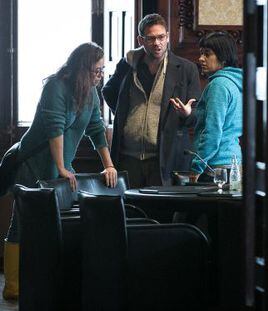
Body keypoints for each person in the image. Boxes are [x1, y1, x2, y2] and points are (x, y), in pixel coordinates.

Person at [2, 42, 117, 300]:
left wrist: (108, 164)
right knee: (21, 223)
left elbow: (97, 130)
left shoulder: (90, 93)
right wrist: (63, 167)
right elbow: (55, 128)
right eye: (96, 71)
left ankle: (46, 279)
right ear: (81, 68)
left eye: (102, 71)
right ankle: (12, 286)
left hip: (61, 167)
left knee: (58, 225)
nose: (100, 76)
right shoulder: (56, 86)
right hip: (33, 165)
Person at [102, 13, 201, 188]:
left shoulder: (186, 68)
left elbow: (198, 115)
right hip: (128, 157)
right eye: (151, 39)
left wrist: (187, 113)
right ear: (140, 40)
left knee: (161, 212)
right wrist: (126, 116)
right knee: (131, 210)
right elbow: (108, 91)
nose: (157, 43)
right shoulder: (128, 65)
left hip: (165, 158)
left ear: (168, 36)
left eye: (161, 37)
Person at [170, 31, 243, 182]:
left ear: (222, 57)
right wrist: (190, 114)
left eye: (207, 54)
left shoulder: (219, 85)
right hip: (231, 163)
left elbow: (213, 132)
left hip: (215, 168)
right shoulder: (234, 81)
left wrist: (197, 167)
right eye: (201, 53)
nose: (201, 58)